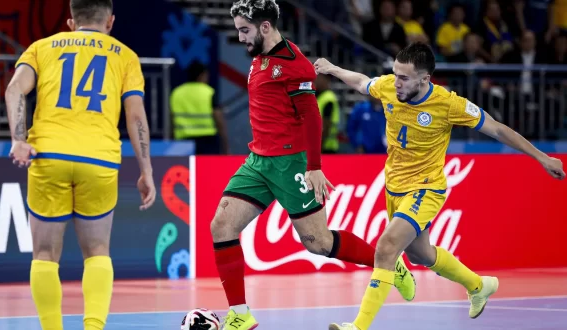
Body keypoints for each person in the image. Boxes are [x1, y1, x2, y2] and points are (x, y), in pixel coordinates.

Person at [314, 43, 565, 330]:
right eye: (395, 74)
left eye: (404, 78)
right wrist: (333, 69)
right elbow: (361, 82)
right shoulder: (388, 86)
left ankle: (358, 326)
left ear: (425, 79)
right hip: (393, 186)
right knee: (420, 254)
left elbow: (495, 128)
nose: (396, 83)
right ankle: (479, 285)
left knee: (386, 248)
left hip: (426, 189)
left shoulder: (448, 104)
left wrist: (541, 157)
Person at [212, 1, 416, 329]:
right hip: (258, 161)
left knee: (318, 243)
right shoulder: (259, 58)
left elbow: (311, 116)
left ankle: (390, 262)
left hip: (290, 162)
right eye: (238, 30)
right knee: (221, 225)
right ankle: (240, 314)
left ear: (265, 27)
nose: (240, 38)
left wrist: (314, 166)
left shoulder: (294, 63)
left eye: (245, 30)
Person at [5, 1, 156, 329]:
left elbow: (16, 88)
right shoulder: (125, 56)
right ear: (110, 21)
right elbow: (134, 115)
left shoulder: (41, 48)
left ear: (71, 21)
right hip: (99, 160)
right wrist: (146, 170)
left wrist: (18, 138)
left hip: (49, 156)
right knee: (98, 251)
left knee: (44, 255)